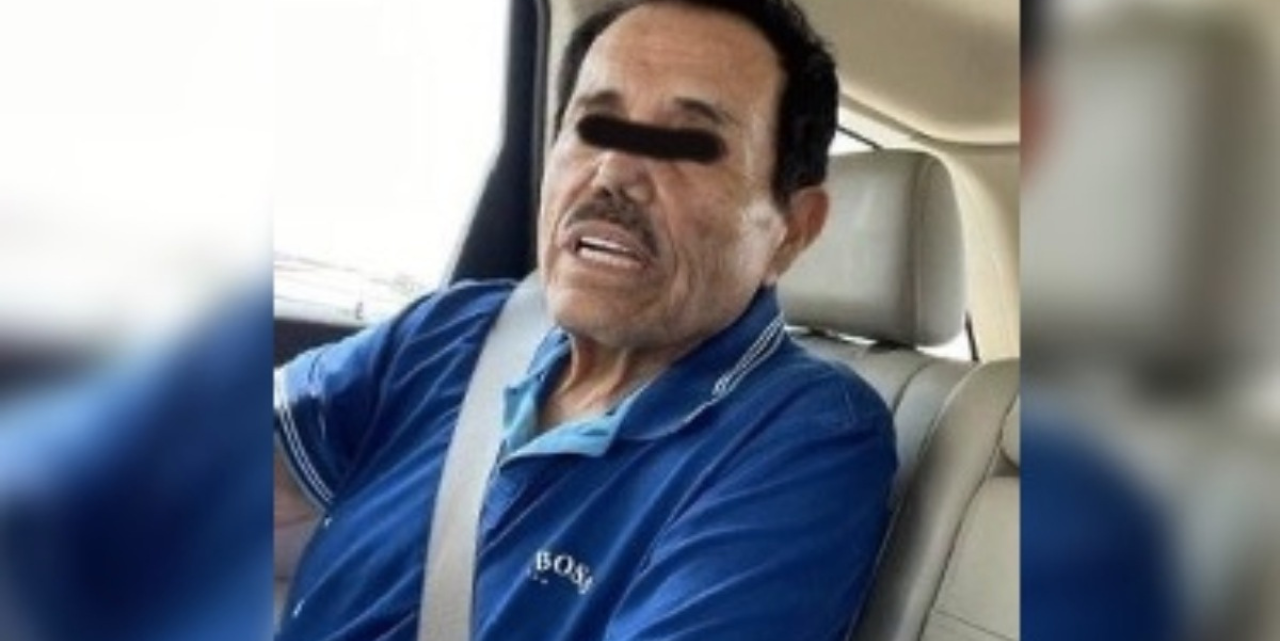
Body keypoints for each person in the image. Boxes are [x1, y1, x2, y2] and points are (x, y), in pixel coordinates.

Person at [273, 0, 896, 639]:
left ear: (792, 231)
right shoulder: (454, 331)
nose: (615, 171)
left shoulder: (804, 435)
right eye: (595, 125)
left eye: (690, 144)